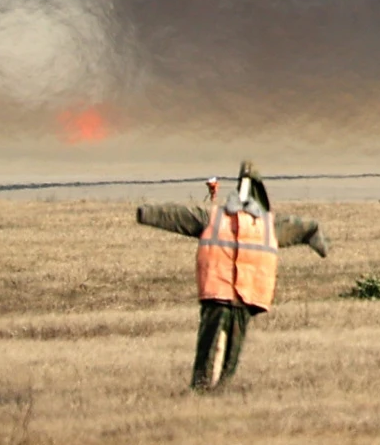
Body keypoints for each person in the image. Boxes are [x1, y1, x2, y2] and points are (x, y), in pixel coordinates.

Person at [137, 161, 328, 390]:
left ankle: (204, 388)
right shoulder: (270, 225)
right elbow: (306, 227)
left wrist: (146, 213)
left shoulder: (215, 217)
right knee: (230, 348)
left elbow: (178, 215)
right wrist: (320, 243)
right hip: (244, 296)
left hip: (222, 292)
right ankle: (215, 388)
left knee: (210, 345)